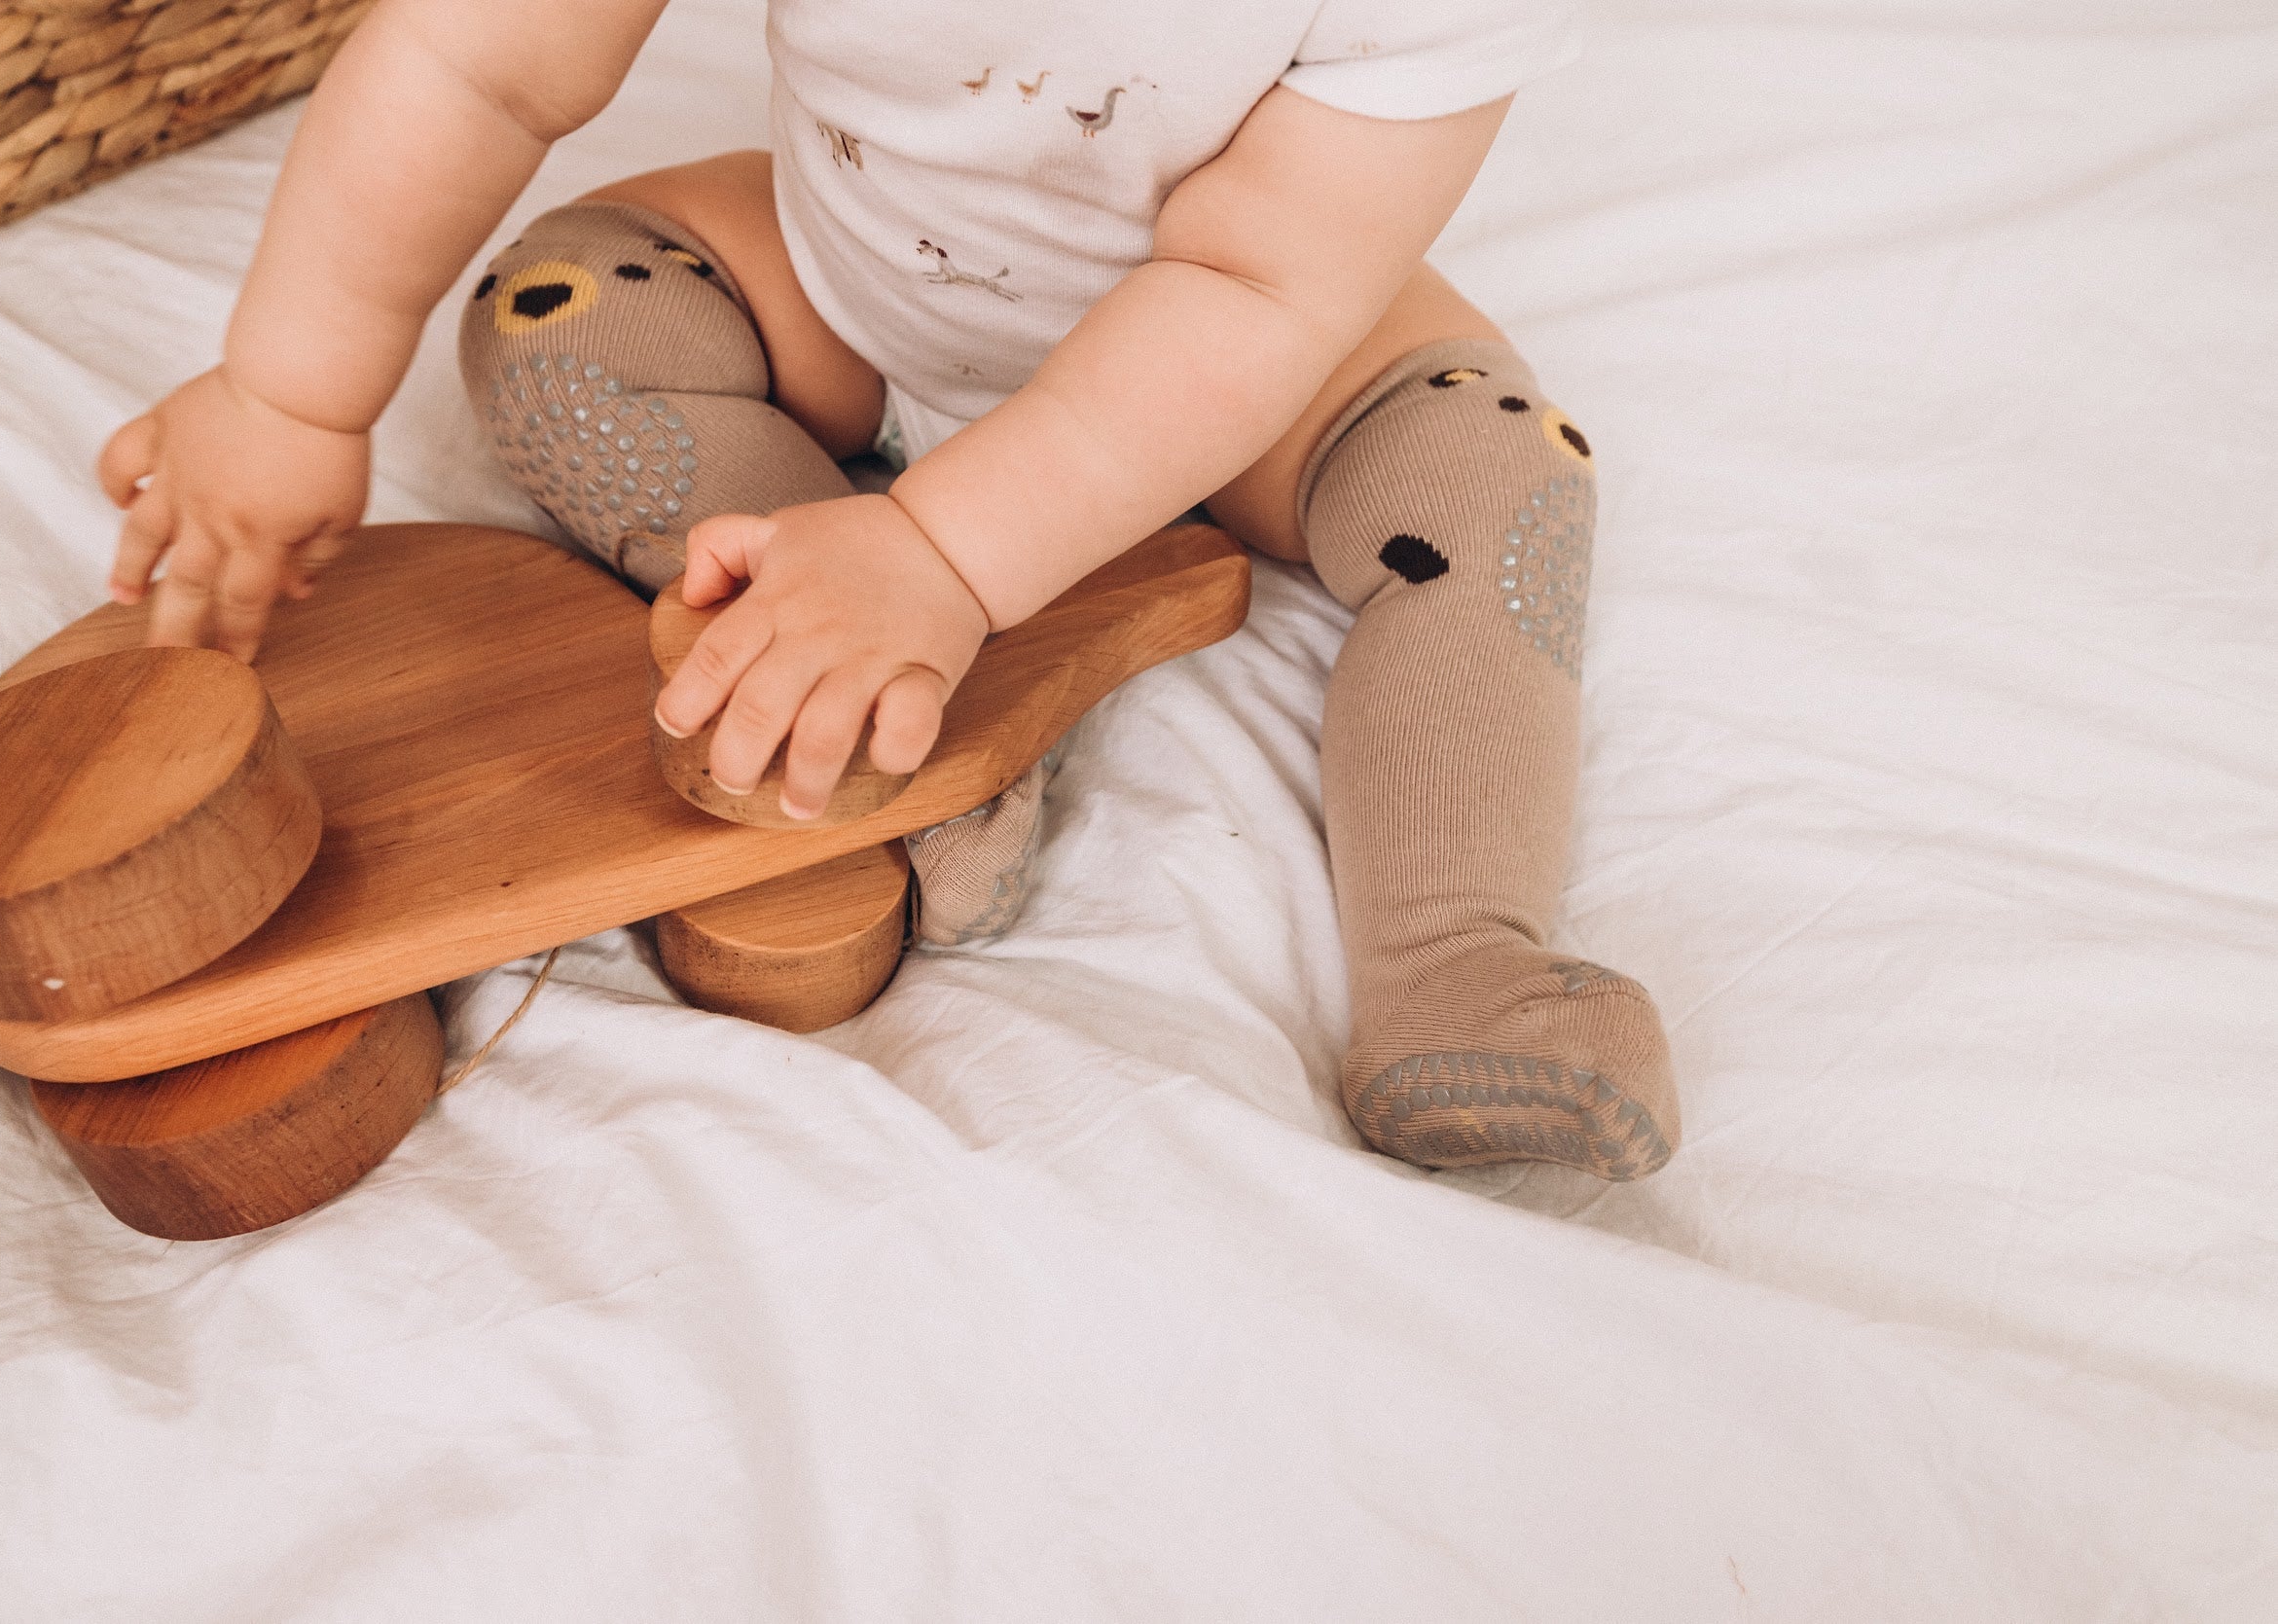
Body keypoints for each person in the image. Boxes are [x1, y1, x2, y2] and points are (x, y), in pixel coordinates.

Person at [97, 0, 1680, 1179]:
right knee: (567, 306)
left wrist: (948, 550)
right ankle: (867, 687)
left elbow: (1255, 281)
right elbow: (481, 60)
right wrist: (290, 390)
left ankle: (1456, 952)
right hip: (857, 291)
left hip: (1246, 374)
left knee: (1495, 476)